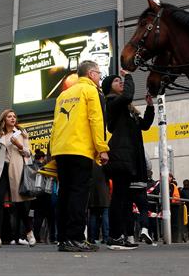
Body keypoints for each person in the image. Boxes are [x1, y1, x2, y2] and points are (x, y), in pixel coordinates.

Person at [50, 60, 110, 253]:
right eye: (99, 74)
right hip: (80, 149)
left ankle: (63, 239)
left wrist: (53, 151)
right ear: (91, 74)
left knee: (65, 194)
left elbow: (55, 125)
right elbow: (96, 119)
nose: (100, 77)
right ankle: (75, 238)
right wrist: (102, 148)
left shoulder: (63, 95)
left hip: (61, 150)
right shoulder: (91, 91)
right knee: (79, 194)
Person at [101, 71, 153, 250]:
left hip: (130, 158)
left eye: (121, 79)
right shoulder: (112, 103)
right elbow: (128, 94)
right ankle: (115, 237)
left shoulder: (127, 110)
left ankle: (120, 236)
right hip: (120, 157)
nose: (121, 82)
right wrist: (129, 76)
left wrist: (150, 107)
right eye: (117, 81)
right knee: (119, 199)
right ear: (109, 88)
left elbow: (145, 125)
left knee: (123, 199)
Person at [0, 109, 35, 248]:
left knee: (20, 204)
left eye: (14, 116)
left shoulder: (21, 133)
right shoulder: (0, 136)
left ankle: (29, 232)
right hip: (2, 172)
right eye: (9, 116)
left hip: (16, 170)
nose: (12, 118)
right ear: (4, 120)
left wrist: (19, 144)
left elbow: (28, 153)